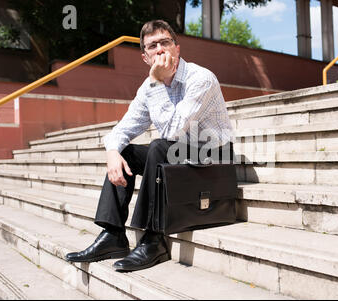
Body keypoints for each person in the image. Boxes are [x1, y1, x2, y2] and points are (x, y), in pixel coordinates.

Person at [66, 20, 234, 272]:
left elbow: (173, 132)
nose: (159, 50)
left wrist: (156, 81)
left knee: (159, 146)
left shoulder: (201, 79)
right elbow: (122, 129)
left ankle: (154, 240)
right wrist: (112, 153)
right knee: (126, 152)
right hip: (178, 158)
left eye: (165, 42)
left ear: (177, 49)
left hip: (212, 158)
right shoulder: (148, 88)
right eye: (152, 46)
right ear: (145, 57)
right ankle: (113, 234)